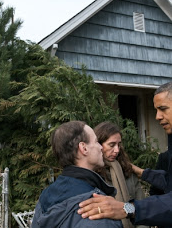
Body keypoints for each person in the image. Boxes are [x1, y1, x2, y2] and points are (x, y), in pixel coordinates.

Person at [76, 82, 172, 227]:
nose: (157, 117)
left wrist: (129, 208)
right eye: (111, 145)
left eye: (163, 109)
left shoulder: (127, 173)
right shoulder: (87, 177)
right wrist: (142, 173)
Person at [31, 120, 123, 228]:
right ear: (84, 148)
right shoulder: (97, 206)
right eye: (96, 142)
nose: (101, 147)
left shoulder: (45, 196)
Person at [94, 122, 147, 228]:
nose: (117, 150)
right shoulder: (93, 176)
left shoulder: (127, 171)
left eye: (119, 145)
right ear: (98, 145)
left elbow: (142, 208)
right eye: (112, 145)